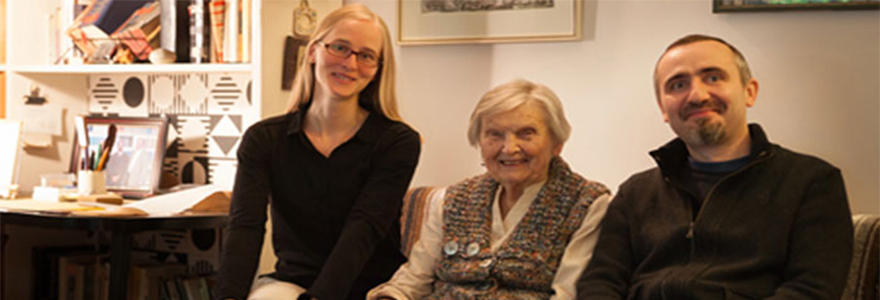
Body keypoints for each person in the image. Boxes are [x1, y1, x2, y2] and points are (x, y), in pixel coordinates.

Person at [576, 34, 853, 300]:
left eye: (713, 77)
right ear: (663, 107)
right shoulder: (635, 193)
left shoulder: (811, 183)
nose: (697, 95)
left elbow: (812, 290)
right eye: (677, 84)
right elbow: (600, 283)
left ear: (749, 92)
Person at [215, 4, 421, 300]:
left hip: (375, 287)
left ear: (377, 70)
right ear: (313, 51)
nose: (350, 64)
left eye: (366, 55)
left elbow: (364, 228)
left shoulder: (397, 142)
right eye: (340, 48)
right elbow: (245, 227)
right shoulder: (264, 139)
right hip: (292, 281)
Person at [367, 79, 612, 300]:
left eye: (526, 134)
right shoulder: (452, 200)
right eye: (495, 135)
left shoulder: (587, 204)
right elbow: (413, 280)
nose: (509, 148)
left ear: (556, 143)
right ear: (479, 141)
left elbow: (569, 294)